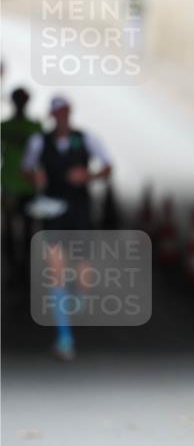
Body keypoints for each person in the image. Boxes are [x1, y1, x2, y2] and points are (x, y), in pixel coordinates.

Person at [22, 95, 113, 361]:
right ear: (52, 115)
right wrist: (34, 176)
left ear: (69, 113)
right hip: (53, 210)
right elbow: (27, 167)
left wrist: (90, 176)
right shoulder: (40, 141)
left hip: (80, 210)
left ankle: (77, 299)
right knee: (56, 270)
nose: (61, 117)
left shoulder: (86, 139)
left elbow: (107, 166)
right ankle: (64, 337)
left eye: (64, 112)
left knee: (84, 275)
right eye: (57, 113)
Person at [1, 84, 42, 280]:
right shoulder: (10, 127)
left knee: (24, 227)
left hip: (24, 185)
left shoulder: (33, 127)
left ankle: (21, 266)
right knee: (14, 226)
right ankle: (16, 266)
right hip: (12, 184)